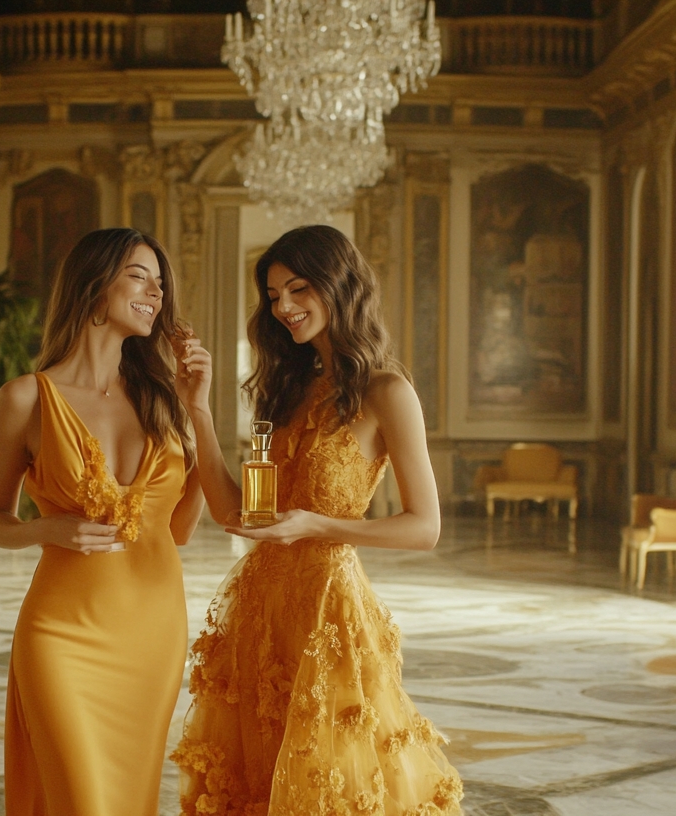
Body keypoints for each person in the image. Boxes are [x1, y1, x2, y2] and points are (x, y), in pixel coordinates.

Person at [170, 225, 463, 815]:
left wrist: (316, 526)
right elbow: (234, 512)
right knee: (256, 774)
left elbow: (423, 526)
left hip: (329, 610)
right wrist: (196, 408)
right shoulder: (288, 390)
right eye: (274, 295)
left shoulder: (387, 391)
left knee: (330, 781)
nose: (283, 307)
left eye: (298, 289)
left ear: (340, 286)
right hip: (261, 612)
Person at [0, 228, 205, 816]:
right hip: (61, 631)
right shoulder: (26, 398)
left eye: (160, 284)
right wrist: (45, 529)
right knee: (81, 801)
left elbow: (179, 530)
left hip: (152, 631)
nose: (155, 293)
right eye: (139, 276)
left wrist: (200, 411)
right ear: (93, 283)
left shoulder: (165, 399)